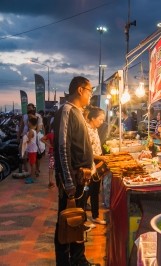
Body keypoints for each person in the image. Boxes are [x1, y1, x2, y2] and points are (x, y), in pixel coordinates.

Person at [53, 76, 98, 266]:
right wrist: (69, 182)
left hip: (82, 179)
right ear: (80, 90)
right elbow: (63, 147)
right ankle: (64, 262)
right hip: (72, 180)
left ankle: (79, 260)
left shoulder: (79, 112)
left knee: (78, 220)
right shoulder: (67, 111)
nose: (91, 95)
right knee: (66, 221)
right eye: (90, 90)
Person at [84, 106, 107, 225]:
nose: (102, 122)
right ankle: (81, 220)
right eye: (100, 119)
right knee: (86, 191)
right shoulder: (86, 130)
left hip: (97, 162)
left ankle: (95, 216)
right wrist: (101, 158)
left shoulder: (95, 129)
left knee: (94, 191)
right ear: (92, 118)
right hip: (90, 164)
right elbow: (87, 152)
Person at [23, 115, 38, 184]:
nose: (27, 123)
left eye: (28, 122)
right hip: (32, 149)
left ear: (31, 123)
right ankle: (32, 177)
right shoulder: (33, 131)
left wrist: (24, 138)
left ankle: (32, 178)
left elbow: (27, 140)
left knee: (32, 164)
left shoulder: (31, 131)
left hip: (32, 150)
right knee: (32, 163)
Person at [40, 123, 55, 188]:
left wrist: (48, 145)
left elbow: (42, 139)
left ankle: (50, 181)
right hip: (59, 153)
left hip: (52, 153)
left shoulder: (50, 134)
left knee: (51, 167)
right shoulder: (60, 134)